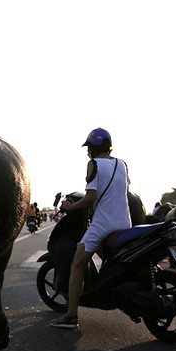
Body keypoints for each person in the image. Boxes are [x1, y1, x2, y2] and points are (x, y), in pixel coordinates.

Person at [50, 128, 132, 329]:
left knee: (77, 264)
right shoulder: (122, 164)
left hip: (103, 224)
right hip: (124, 223)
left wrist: (71, 206)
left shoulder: (93, 164)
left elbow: (90, 196)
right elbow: (123, 190)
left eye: (89, 148)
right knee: (110, 259)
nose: (87, 152)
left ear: (94, 148)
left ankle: (71, 316)